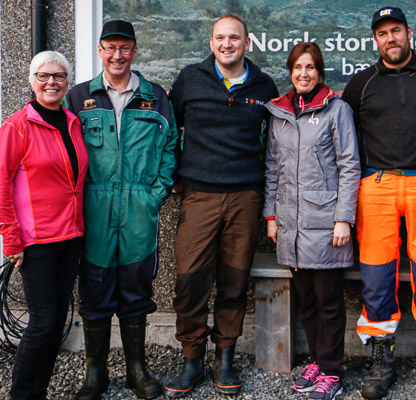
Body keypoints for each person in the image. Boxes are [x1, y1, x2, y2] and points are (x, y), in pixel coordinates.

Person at [342, 7, 416, 400]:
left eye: (396, 31)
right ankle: (382, 359)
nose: (390, 38)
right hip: (376, 185)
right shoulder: (362, 83)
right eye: (382, 34)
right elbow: (345, 138)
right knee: (376, 275)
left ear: (409, 32)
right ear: (375, 40)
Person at [165, 14, 279, 398]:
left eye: (234, 38)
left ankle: (225, 357)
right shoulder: (189, 80)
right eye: (220, 38)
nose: (227, 44)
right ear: (211, 42)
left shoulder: (264, 86)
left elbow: (278, 142)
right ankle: (192, 359)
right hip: (199, 197)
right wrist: (177, 177)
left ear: (248, 43)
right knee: (190, 280)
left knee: (234, 281)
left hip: (245, 197)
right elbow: (168, 130)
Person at [65, 20, 178, 399]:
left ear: (134, 51)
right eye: (110, 47)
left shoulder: (156, 97)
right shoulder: (79, 97)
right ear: (100, 50)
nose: (118, 55)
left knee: (136, 290)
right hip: (93, 210)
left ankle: (136, 371)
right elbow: (64, 154)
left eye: (125, 48)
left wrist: (155, 194)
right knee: (95, 292)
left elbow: (169, 149)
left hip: (137, 211)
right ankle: (94, 374)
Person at [263, 42, 360, 400]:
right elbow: (273, 167)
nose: (304, 74)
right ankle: (318, 361)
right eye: (297, 67)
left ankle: (332, 372)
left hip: (325, 222)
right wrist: (271, 217)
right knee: (307, 300)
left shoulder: (337, 110)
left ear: (320, 72)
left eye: (311, 67)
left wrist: (344, 220)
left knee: (329, 301)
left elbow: (350, 165)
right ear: (290, 72)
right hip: (290, 224)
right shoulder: (280, 112)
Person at [0, 50, 88, 400]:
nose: (51, 82)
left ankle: (39, 391)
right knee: (42, 323)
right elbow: (2, 183)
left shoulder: (71, 121)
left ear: (67, 82)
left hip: (71, 235)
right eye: (43, 76)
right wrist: (11, 237)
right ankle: (22, 395)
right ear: (31, 81)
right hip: (36, 239)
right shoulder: (16, 126)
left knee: (54, 325)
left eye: (59, 76)